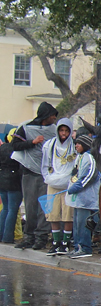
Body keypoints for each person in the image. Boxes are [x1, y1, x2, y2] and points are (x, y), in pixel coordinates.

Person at [9, 102, 57, 250]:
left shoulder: (55, 130)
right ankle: (29, 236)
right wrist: (33, 142)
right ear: (46, 116)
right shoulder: (26, 127)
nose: (54, 118)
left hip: (46, 173)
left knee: (44, 207)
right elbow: (15, 145)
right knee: (30, 206)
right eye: (52, 116)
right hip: (29, 172)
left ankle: (41, 237)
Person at [40, 117, 77, 255]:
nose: (64, 133)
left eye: (66, 130)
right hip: (53, 183)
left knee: (68, 215)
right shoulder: (49, 145)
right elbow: (44, 164)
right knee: (53, 214)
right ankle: (55, 242)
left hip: (68, 186)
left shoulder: (74, 146)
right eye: (61, 130)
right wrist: (48, 178)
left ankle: (65, 243)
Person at [66, 132, 100, 258]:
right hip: (78, 198)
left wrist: (77, 186)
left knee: (83, 224)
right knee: (76, 223)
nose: (76, 146)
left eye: (78, 144)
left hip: (86, 199)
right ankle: (77, 246)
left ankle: (85, 248)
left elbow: (90, 175)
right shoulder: (80, 157)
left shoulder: (89, 157)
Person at [0, 129, 24, 243]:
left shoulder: (3, 147)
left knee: (5, 208)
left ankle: (1, 235)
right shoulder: (18, 149)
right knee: (12, 210)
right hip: (14, 182)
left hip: (2, 180)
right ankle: (8, 237)